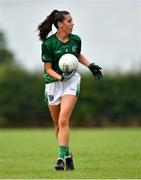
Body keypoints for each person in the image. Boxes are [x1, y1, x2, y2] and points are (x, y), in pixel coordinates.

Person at [37, 10, 103, 171]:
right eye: (69, 21)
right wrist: (59, 78)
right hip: (53, 83)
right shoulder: (48, 44)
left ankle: (60, 159)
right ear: (60, 24)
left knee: (63, 119)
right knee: (58, 125)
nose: (73, 24)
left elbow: (77, 54)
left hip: (71, 82)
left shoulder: (76, 39)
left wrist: (90, 66)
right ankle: (67, 154)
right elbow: (47, 69)